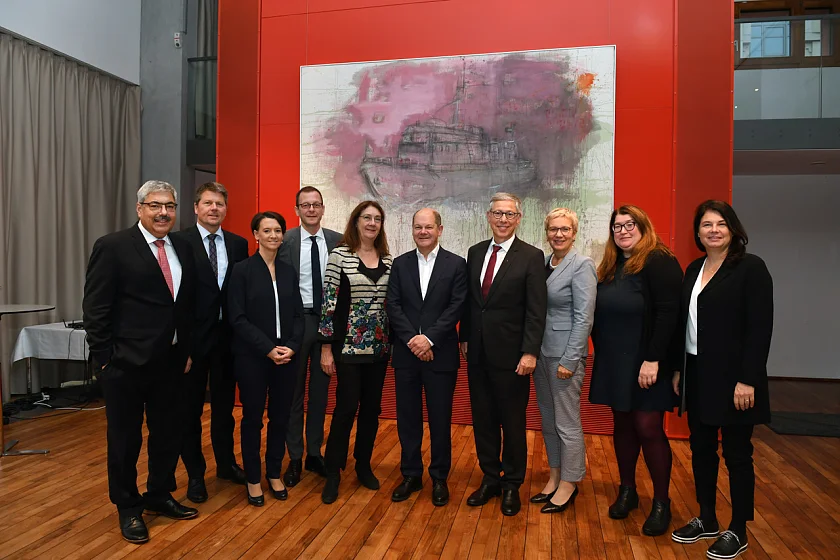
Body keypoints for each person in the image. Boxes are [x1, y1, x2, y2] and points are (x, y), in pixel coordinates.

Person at [83, 180, 199, 544]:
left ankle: (159, 494)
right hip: (125, 366)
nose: (163, 212)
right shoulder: (113, 246)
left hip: (171, 364)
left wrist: (187, 349)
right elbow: (96, 309)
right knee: (125, 441)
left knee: (167, 435)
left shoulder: (182, 246)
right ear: (139, 209)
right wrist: (105, 361)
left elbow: (186, 304)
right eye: (155, 205)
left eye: (169, 206)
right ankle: (128, 506)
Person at [670, 200, 773, 560]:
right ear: (697, 233)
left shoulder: (750, 268)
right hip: (697, 373)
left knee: (737, 454)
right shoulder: (693, 269)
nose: (713, 230)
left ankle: (738, 529)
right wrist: (680, 369)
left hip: (735, 381)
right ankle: (707, 518)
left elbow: (759, 329)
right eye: (706, 225)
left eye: (720, 224)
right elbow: (685, 324)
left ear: (733, 229)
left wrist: (748, 380)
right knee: (701, 449)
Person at [589, 204, 683, 536]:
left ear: (644, 227)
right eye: (617, 226)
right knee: (624, 426)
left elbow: (669, 313)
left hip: (647, 362)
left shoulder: (659, 260)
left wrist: (654, 359)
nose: (623, 231)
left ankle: (661, 502)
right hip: (615, 360)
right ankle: (627, 490)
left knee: (648, 427)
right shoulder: (612, 265)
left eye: (630, 224)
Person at [459, 192, 547, 517]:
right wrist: (464, 337)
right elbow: (471, 303)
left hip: (513, 359)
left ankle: (512, 483)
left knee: (512, 423)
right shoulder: (475, 252)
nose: (503, 219)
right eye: (498, 213)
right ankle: (490, 478)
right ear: (488, 216)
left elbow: (536, 310)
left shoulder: (531, 256)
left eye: (510, 214)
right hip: (477, 355)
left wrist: (530, 352)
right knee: (483, 420)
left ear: (519, 218)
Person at [172, 182, 250, 503]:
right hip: (192, 343)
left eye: (219, 204)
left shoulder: (238, 244)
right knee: (189, 411)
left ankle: (226, 465)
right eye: (207, 203)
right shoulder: (178, 242)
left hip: (228, 343)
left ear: (226, 209)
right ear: (196, 207)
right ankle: (195, 474)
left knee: (224, 410)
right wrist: (182, 347)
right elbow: (175, 298)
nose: (214, 208)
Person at [386, 208, 468, 506]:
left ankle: (439, 477)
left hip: (440, 354)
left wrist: (429, 338)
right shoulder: (399, 264)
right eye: (418, 227)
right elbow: (393, 305)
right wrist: (414, 340)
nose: (423, 232)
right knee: (408, 418)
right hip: (407, 355)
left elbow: (456, 307)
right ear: (412, 230)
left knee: (439, 419)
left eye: (429, 227)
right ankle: (411, 474)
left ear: (439, 230)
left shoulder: (456, 264)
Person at [227, 211, 305, 506]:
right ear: (256, 235)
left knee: (280, 417)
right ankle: (252, 478)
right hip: (253, 358)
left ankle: (273, 473)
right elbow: (237, 318)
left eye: (278, 231)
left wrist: (292, 347)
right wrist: (268, 348)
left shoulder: (288, 271)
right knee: (252, 419)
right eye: (267, 230)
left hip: (286, 358)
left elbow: (298, 315)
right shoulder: (242, 271)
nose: (273, 235)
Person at [319, 201, 393, 504]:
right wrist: (326, 347)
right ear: (356, 221)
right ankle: (333, 471)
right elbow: (328, 303)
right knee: (346, 408)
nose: (372, 223)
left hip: (379, 348)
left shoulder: (388, 260)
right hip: (348, 347)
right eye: (367, 218)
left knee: (371, 410)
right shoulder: (339, 256)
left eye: (377, 219)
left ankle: (363, 464)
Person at [531, 208, 596, 514]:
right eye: (553, 229)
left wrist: (570, 359)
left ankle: (570, 482)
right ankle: (555, 475)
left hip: (564, 356)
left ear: (574, 233)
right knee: (548, 420)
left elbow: (584, 317)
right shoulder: (544, 264)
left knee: (566, 423)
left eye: (564, 229)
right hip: (541, 353)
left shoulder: (582, 265)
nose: (558, 234)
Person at [277, 186, 342, 487]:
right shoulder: (285, 241)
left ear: (323, 208)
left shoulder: (338, 241)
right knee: (293, 395)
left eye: (316, 204)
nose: (311, 210)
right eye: (305, 205)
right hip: (296, 323)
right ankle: (295, 457)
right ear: (297, 210)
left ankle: (314, 453)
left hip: (327, 324)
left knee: (320, 394)